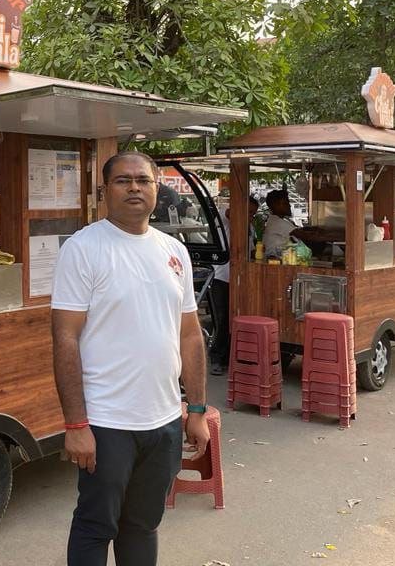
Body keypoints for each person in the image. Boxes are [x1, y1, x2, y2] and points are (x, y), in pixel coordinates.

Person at [52, 151, 210, 566]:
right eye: (123, 180)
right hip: (106, 423)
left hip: (162, 421)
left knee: (143, 524)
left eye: (144, 180)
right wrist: (76, 424)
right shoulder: (83, 249)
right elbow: (65, 339)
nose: (135, 187)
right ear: (106, 190)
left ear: (158, 188)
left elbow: (190, 335)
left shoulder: (173, 251)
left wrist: (195, 409)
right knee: (94, 525)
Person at [209, 194, 260, 375]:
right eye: (249, 212)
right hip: (221, 277)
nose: (251, 216)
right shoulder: (223, 219)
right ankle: (216, 357)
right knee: (221, 319)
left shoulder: (250, 228)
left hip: (240, 279)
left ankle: (231, 357)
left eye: (254, 213)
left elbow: (252, 251)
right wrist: (240, 213)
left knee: (236, 318)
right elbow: (229, 214)